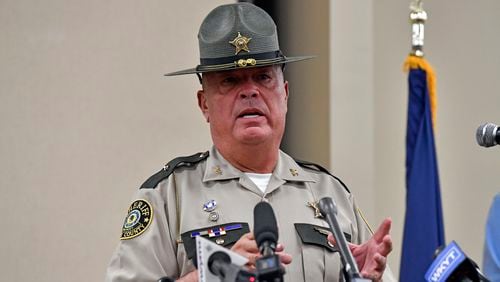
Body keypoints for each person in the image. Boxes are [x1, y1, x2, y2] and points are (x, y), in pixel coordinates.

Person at [106, 3, 394, 282]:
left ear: (285, 93)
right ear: (204, 103)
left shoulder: (332, 196)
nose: (250, 92)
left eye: (263, 77)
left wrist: (370, 280)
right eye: (230, 81)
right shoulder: (169, 197)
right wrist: (213, 274)